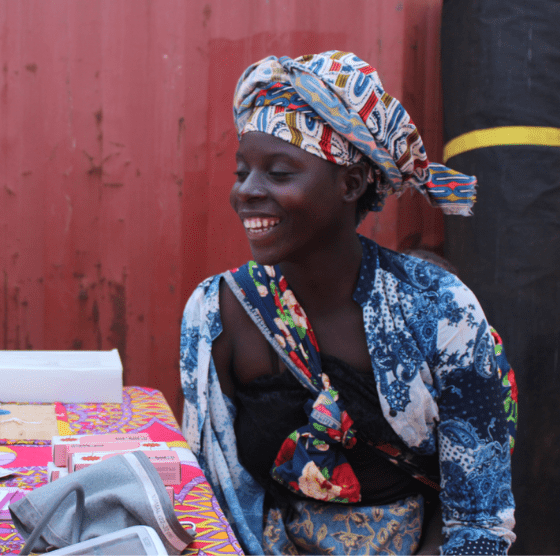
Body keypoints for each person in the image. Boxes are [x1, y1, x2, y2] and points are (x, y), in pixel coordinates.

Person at [180, 51, 515, 555]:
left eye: (278, 172)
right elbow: (213, 506)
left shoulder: (439, 311)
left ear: (351, 184)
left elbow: (478, 520)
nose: (246, 192)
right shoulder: (218, 314)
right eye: (243, 170)